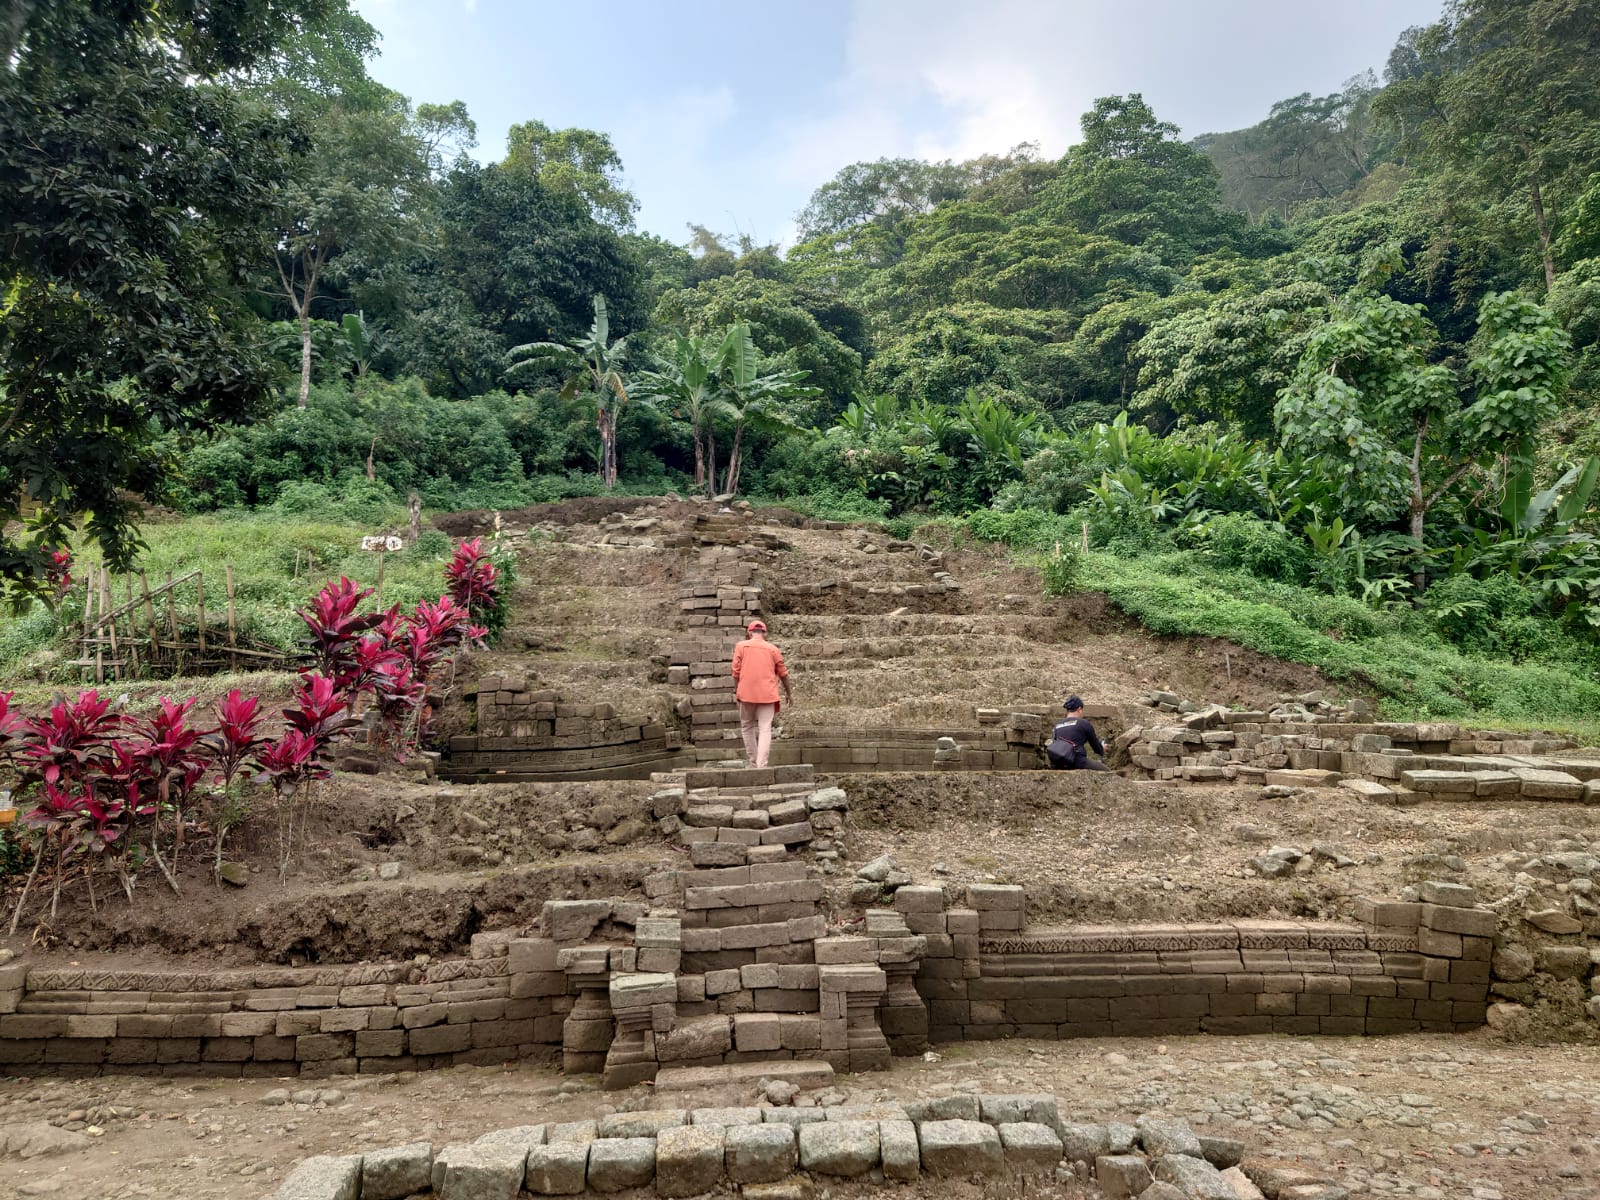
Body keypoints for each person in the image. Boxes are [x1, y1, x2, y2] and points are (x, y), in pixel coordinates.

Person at [731, 619, 792, 769]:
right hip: (767, 694)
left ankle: (753, 762)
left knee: (747, 727)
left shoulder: (741, 646)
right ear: (765, 633)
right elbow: (783, 674)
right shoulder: (772, 649)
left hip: (746, 693)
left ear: (749, 632)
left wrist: (737, 691)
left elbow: (735, 672)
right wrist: (789, 693)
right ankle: (761, 764)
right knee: (765, 728)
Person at [1046, 695, 1108, 771]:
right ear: (1079, 709)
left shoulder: (1057, 726)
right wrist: (1102, 749)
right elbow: (1096, 748)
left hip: (1058, 764)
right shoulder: (1083, 723)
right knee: (1107, 771)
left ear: (1068, 711)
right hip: (1077, 761)